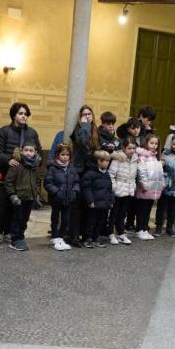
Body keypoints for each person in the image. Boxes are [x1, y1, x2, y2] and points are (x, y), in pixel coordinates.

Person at [0, 102, 41, 246]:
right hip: (8, 176)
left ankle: (11, 232)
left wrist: (37, 160)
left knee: (20, 210)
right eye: (20, 113)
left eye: (25, 114)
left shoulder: (32, 133)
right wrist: (9, 159)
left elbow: (38, 151)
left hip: (25, 178)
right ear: (14, 115)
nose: (24, 116)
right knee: (5, 206)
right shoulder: (4, 131)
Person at [68, 105, 98, 246]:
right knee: (76, 205)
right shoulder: (78, 131)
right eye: (84, 114)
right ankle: (73, 236)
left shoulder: (96, 130)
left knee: (88, 205)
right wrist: (85, 125)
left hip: (91, 171)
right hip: (79, 171)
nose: (87, 116)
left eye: (89, 114)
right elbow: (83, 143)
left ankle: (86, 235)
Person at [3, 143, 41, 252]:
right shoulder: (16, 165)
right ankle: (15, 239)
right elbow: (8, 182)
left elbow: (36, 181)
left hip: (29, 198)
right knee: (17, 219)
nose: (28, 153)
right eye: (26, 150)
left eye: (31, 151)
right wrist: (12, 195)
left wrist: (36, 195)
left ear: (35, 153)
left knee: (25, 219)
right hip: (18, 199)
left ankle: (20, 237)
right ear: (21, 151)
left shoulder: (35, 166)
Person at [45, 143, 79, 251]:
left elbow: (76, 182)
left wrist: (74, 192)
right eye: (63, 154)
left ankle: (60, 237)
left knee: (65, 220)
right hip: (56, 199)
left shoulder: (71, 168)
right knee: (55, 219)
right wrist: (57, 192)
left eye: (67, 155)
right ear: (57, 155)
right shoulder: (52, 168)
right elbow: (48, 183)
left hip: (68, 199)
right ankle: (55, 237)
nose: (65, 157)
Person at [81, 150, 115, 248]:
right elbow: (86, 188)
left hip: (104, 204)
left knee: (100, 222)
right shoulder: (90, 173)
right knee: (90, 222)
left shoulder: (107, 174)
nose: (108, 163)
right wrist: (90, 201)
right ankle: (88, 238)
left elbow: (110, 189)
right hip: (94, 204)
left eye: (108, 161)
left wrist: (111, 200)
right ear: (99, 161)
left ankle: (96, 238)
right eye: (106, 161)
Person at [133, 133, 164, 240]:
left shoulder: (155, 157)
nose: (154, 145)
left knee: (148, 209)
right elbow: (141, 171)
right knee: (142, 209)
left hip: (154, 187)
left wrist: (162, 183)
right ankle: (139, 229)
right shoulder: (143, 157)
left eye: (156, 143)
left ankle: (145, 229)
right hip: (145, 188)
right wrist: (144, 184)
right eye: (152, 143)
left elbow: (159, 172)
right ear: (146, 143)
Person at [107, 139, 137, 245]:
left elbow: (134, 176)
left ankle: (121, 233)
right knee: (114, 213)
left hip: (128, 189)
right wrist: (114, 188)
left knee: (123, 213)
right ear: (124, 148)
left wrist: (133, 186)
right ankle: (111, 233)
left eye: (133, 148)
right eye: (129, 148)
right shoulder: (118, 159)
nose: (132, 150)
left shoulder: (135, 159)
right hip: (118, 190)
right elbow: (111, 175)